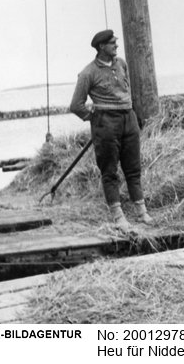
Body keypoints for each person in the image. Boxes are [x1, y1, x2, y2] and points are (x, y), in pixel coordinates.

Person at [69, 30, 153, 230]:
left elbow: (127, 89)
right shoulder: (88, 73)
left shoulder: (121, 63)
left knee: (133, 168)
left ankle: (141, 212)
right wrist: (96, 118)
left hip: (128, 118)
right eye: (112, 43)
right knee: (109, 171)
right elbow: (76, 105)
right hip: (106, 124)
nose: (116, 46)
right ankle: (118, 216)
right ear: (101, 47)